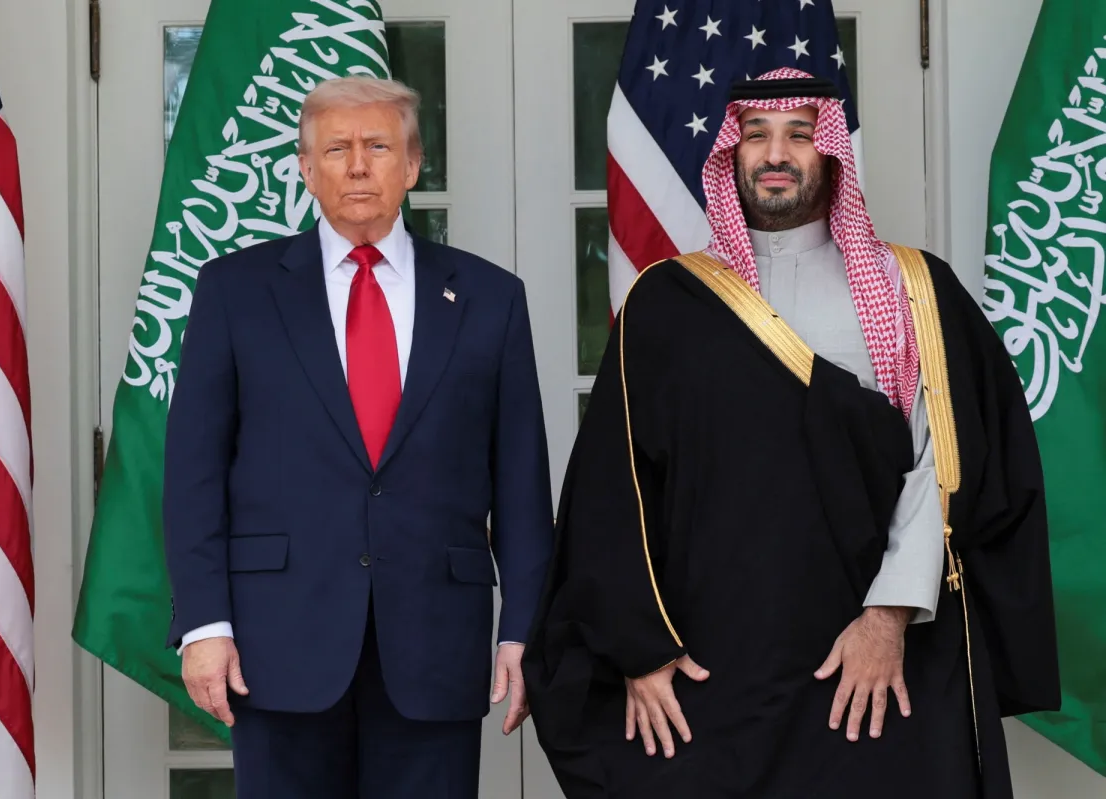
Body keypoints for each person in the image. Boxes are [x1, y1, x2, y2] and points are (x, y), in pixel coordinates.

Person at [522, 68, 1060, 798]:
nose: (776, 153)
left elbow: (947, 464)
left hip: (875, 662)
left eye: (799, 134)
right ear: (729, 154)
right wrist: (638, 650)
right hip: (717, 668)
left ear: (830, 151)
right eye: (756, 134)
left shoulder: (913, 289)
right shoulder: (667, 303)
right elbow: (612, 493)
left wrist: (888, 616)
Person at [162, 76, 554, 798]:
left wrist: (522, 628)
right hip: (276, 644)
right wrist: (204, 623)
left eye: (378, 145)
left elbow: (523, 485)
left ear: (412, 164)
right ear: (306, 169)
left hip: (435, 643)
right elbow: (193, 474)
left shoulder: (491, 298)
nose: (358, 165)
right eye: (336, 149)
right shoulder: (235, 291)